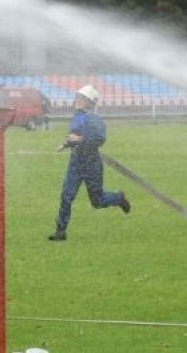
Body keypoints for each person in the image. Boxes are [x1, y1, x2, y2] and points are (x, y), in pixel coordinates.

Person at [49, 85, 130, 240]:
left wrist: (79, 139)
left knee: (97, 201)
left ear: (90, 103)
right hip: (76, 162)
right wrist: (66, 144)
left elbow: (99, 139)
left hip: (91, 163)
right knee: (66, 196)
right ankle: (60, 232)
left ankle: (118, 198)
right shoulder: (77, 116)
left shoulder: (94, 118)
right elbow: (75, 135)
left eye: (82, 98)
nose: (78, 100)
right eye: (77, 97)